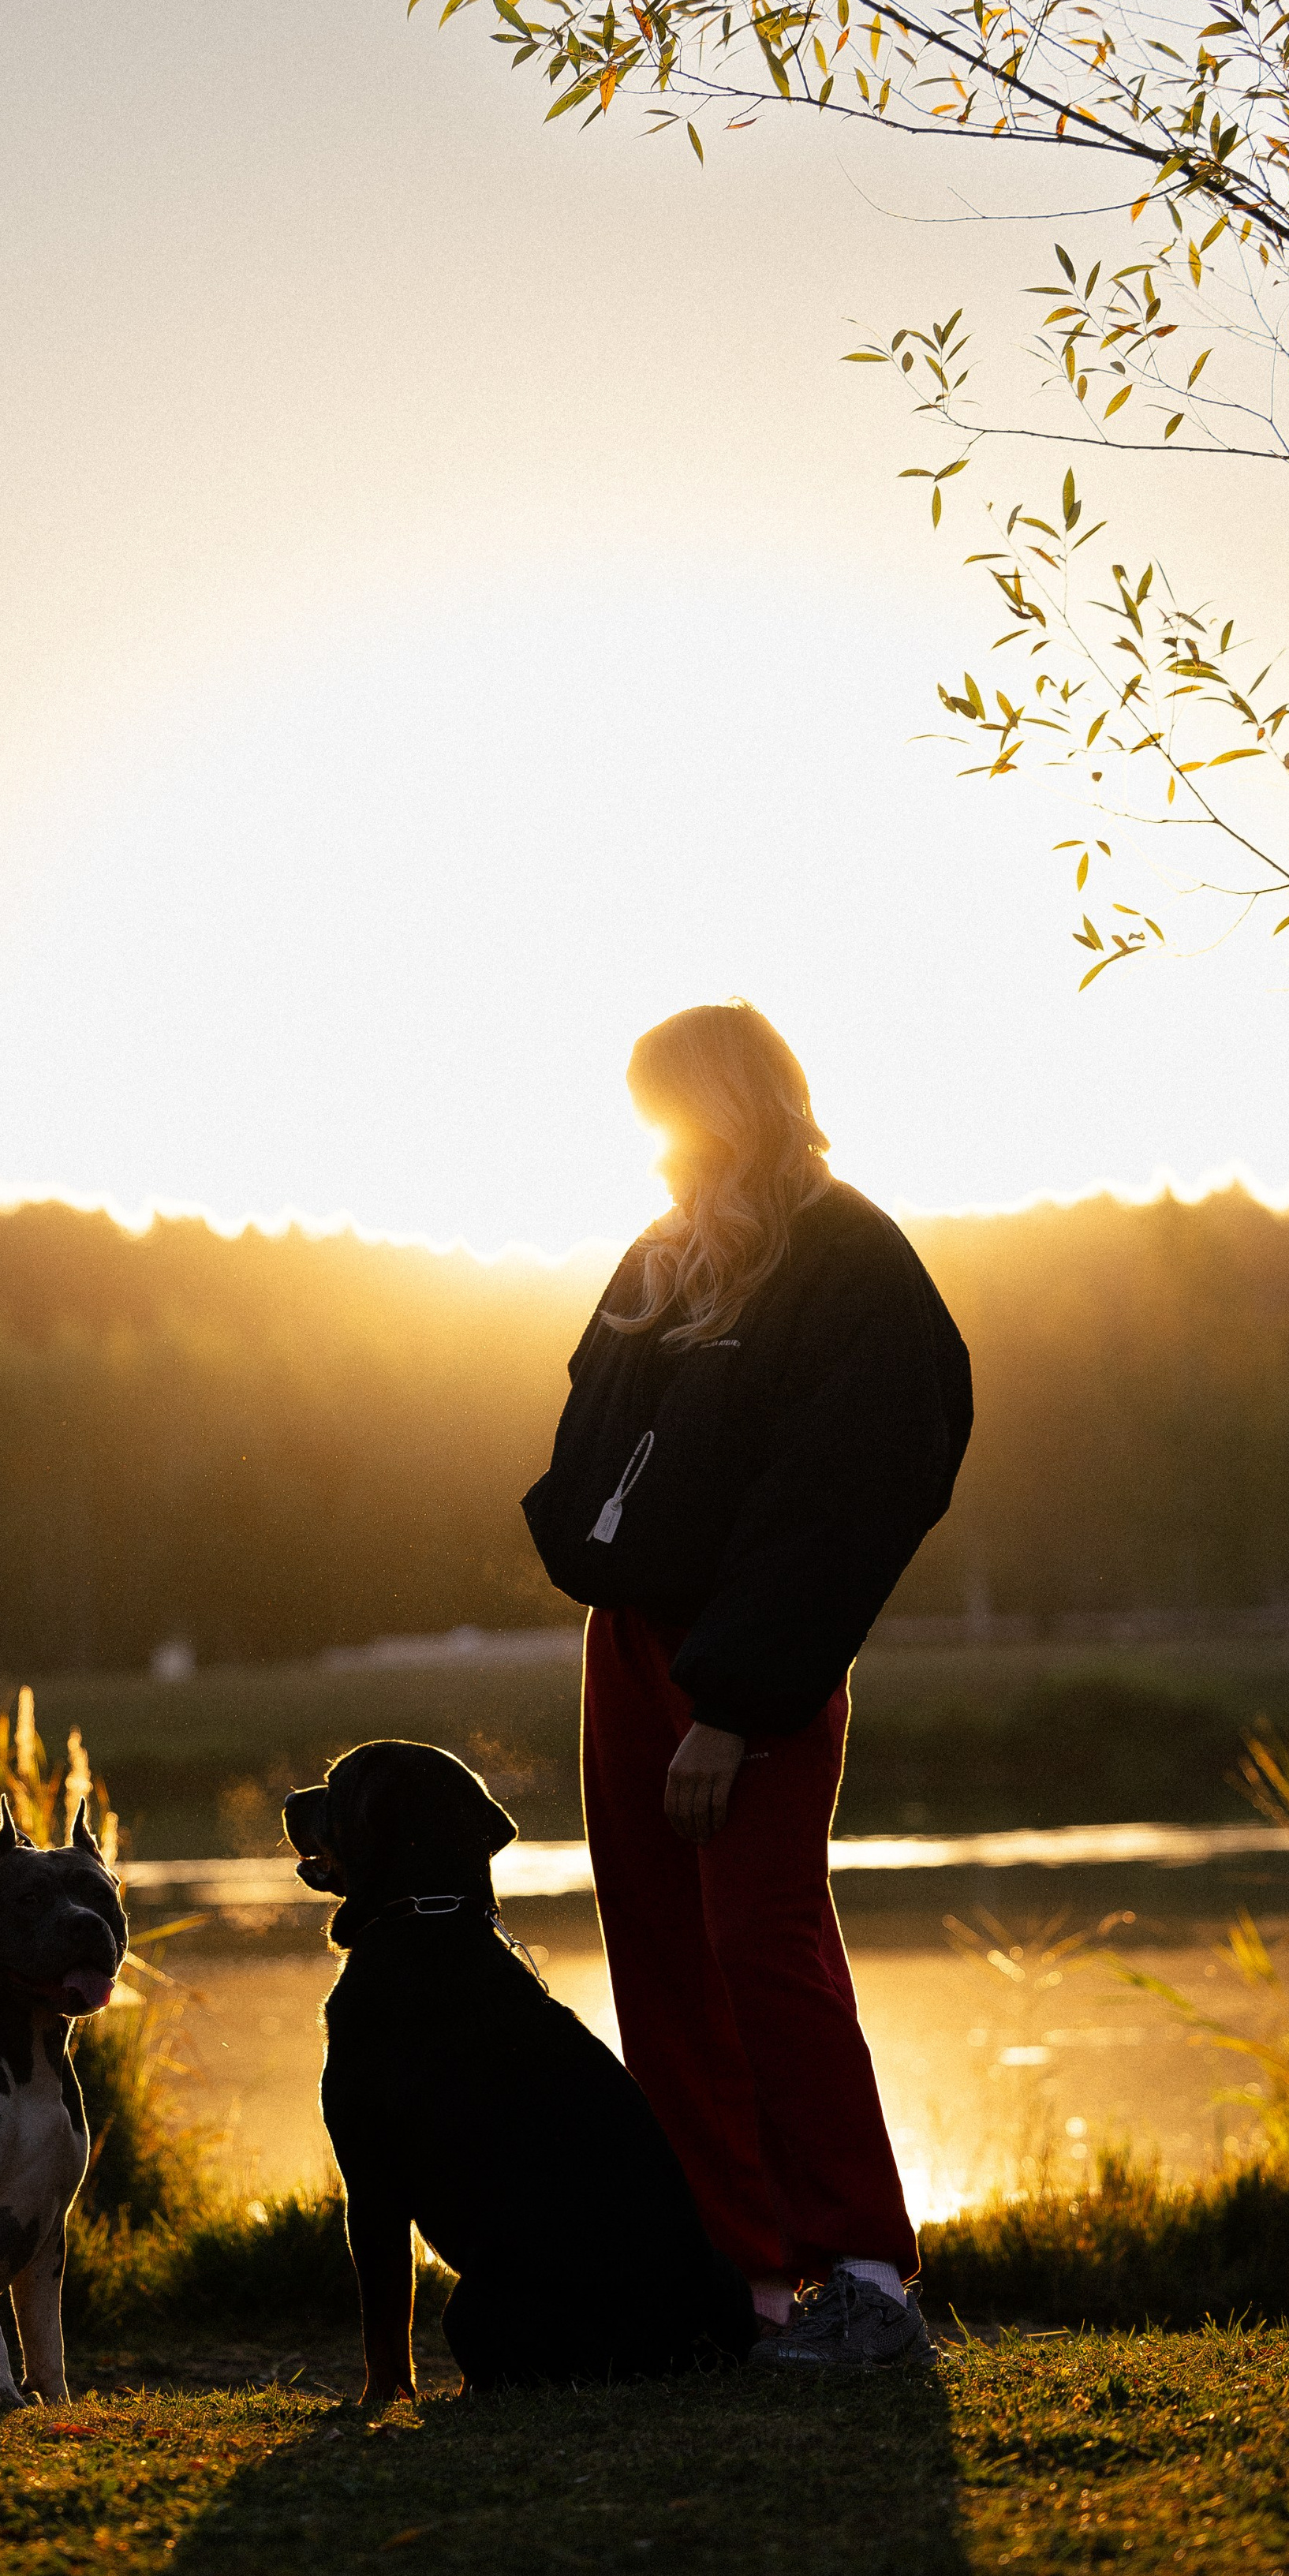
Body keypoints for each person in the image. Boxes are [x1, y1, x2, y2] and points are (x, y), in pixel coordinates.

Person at [521, 1002, 972, 2368]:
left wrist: (734, 1696)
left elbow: (844, 1497)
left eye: (673, 1116)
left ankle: (863, 2276)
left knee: (758, 1943)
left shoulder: (852, 1264)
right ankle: (738, 2279)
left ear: (738, 1105)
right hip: (632, 1644)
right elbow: (594, 1431)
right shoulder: (663, 1256)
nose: (658, 1153)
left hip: (750, 1664)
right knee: (659, 1949)